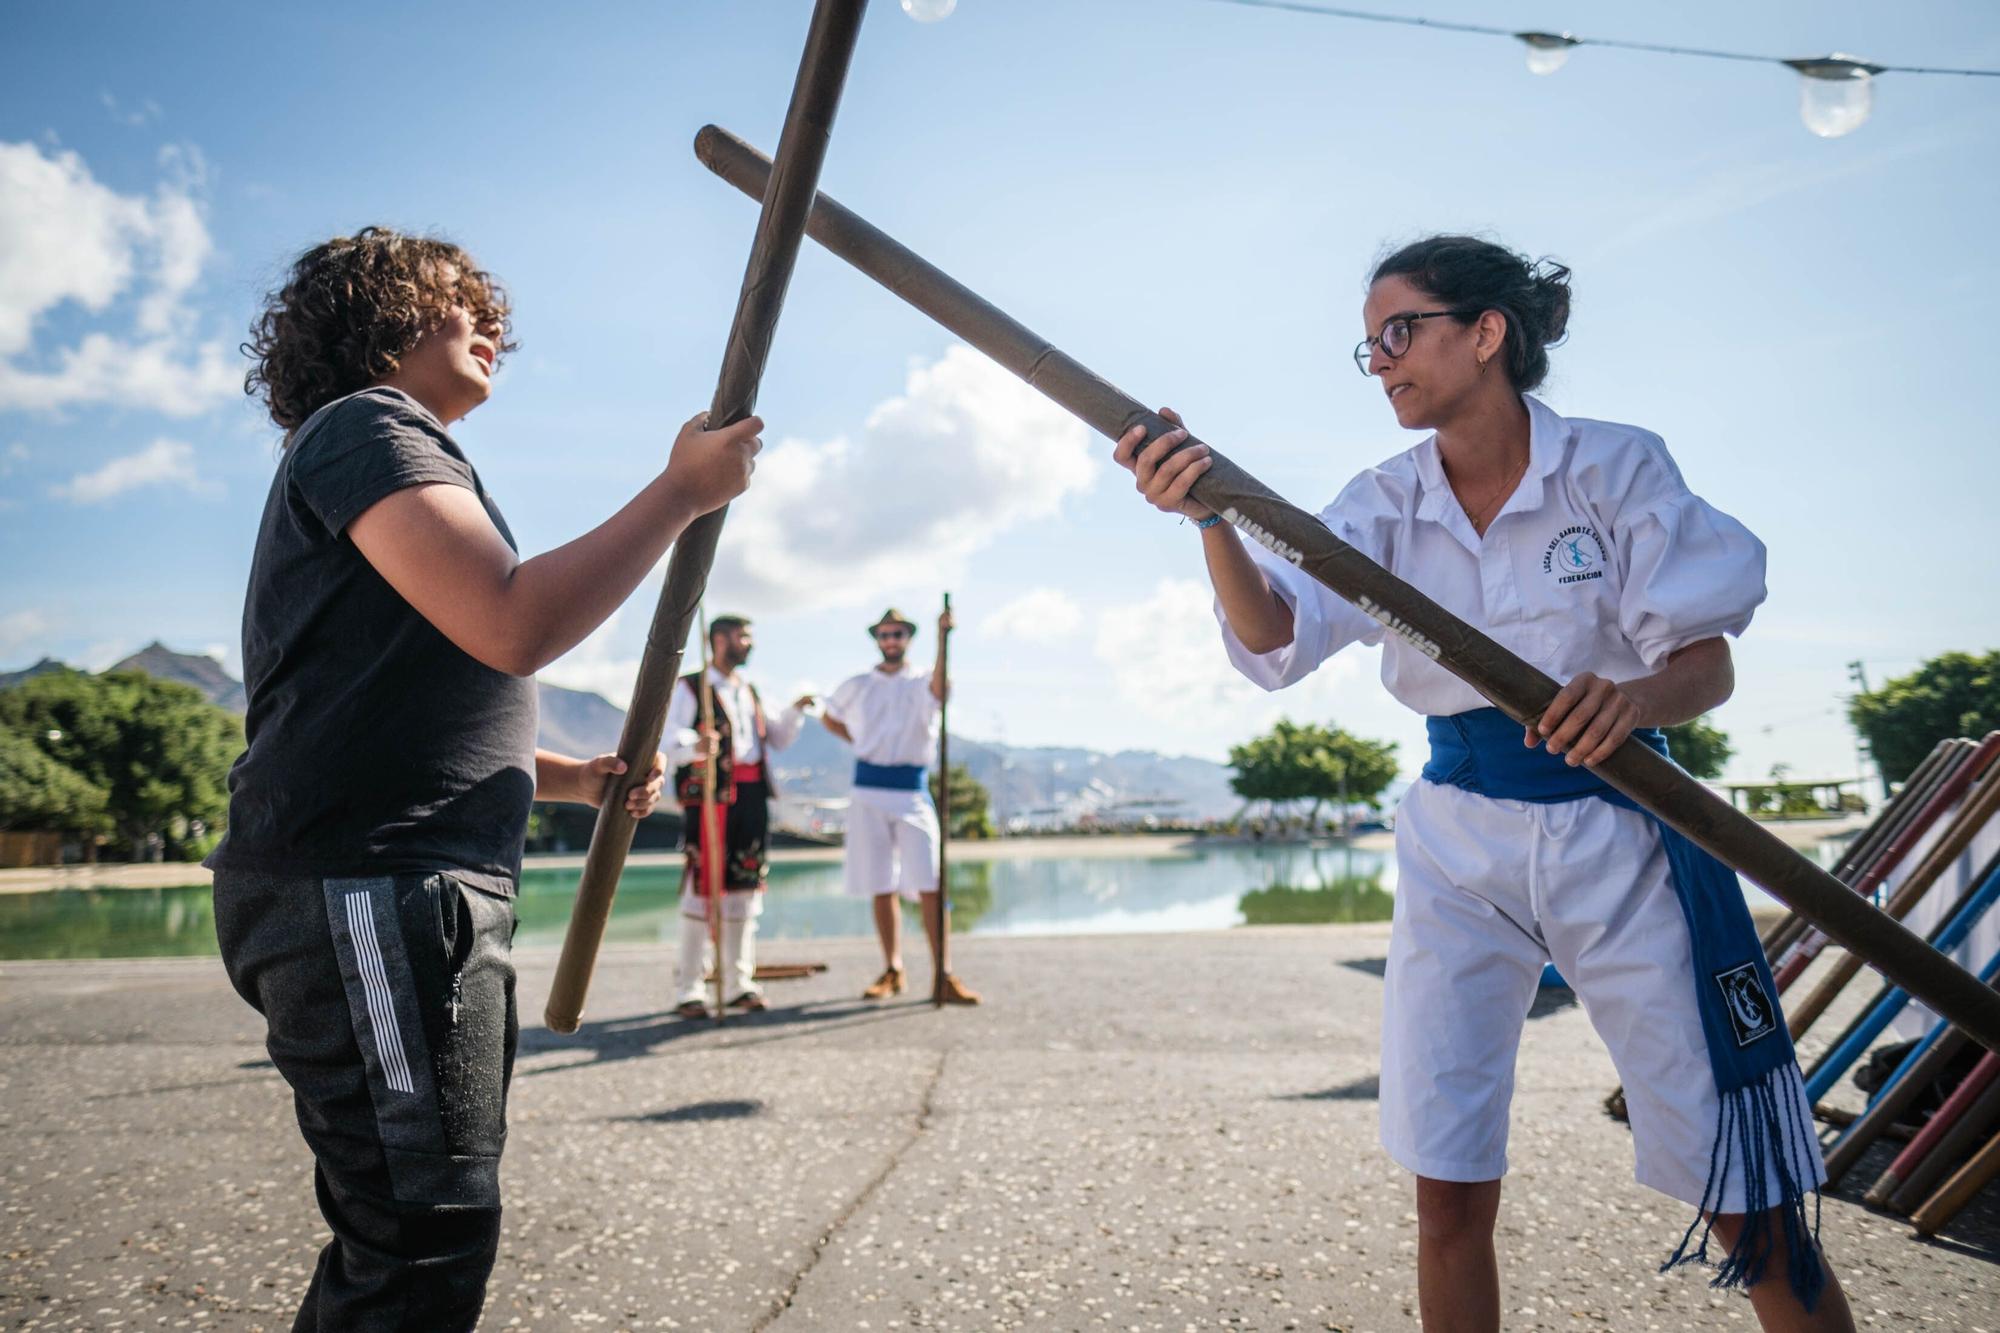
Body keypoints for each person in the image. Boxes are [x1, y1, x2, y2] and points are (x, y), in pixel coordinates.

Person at [1112, 235, 1853, 1332]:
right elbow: (1274, 636)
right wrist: (1210, 521)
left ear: (1485, 332)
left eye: (1398, 333)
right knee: (1446, 1182)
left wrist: (1631, 701)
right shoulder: (1381, 503)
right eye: (1367, 348)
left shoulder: (1612, 466)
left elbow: (1706, 662)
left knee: (1745, 1194)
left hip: (1623, 822)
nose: (1382, 363)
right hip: (1456, 836)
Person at [207, 226, 761, 1330]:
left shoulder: (399, 449)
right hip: (368, 885)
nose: (491, 322)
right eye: (461, 300)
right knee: (417, 1240)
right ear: (385, 317)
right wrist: (679, 494)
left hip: (405, 882)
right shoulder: (364, 428)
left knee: (426, 1229)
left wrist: (573, 779)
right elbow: (511, 620)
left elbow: (397, 697)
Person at [822, 607, 979, 1005]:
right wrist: (859, 742)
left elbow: (942, 693)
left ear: (908, 637)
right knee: (881, 882)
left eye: (898, 634)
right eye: (884, 634)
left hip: (911, 790)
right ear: (877, 639)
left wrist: (944, 639)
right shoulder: (858, 684)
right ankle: (893, 968)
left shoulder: (924, 681)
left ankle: (942, 972)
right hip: (868, 788)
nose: (891, 640)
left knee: (930, 880)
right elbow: (829, 717)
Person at [664, 613, 812, 1017]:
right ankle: (690, 988)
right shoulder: (691, 687)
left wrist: (795, 711)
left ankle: (737, 983)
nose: (749, 643)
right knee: (701, 888)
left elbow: (775, 740)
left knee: (745, 888)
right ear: (720, 640)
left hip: (750, 796)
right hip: (710, 796)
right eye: (743, 636)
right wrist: (697, 742)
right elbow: (669, 736)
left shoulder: (749, 690)